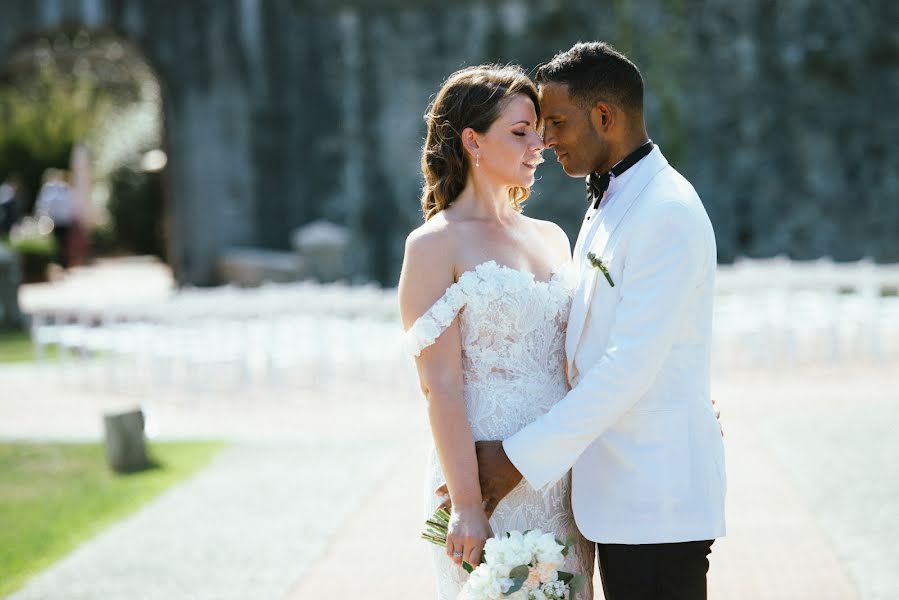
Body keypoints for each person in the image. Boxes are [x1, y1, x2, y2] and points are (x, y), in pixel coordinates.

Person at [468, 42, 727, 600]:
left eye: (557, 122)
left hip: (657, 499)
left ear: (604, 116)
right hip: (617, 494)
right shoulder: (611, 200)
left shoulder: (667, 211)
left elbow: (627, 367)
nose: (546, 140)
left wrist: (517, 457)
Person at [398, 64, 595, 599]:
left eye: (538, 129)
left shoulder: (554, 237)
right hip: (484, 477)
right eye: (520, 131)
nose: (541, 143)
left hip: (560, 470)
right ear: (472, 141)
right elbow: (439, 384)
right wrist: (464, 503)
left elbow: (587, 352)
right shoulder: (434, 245)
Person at [35, 168, 78, 269]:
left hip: (60, 220)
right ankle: (60, 263)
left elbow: (44, 205)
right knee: (60, 243)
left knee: (61, 243)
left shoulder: (58, 189)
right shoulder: (57, 189)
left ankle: (61, 263)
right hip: (58, 220)